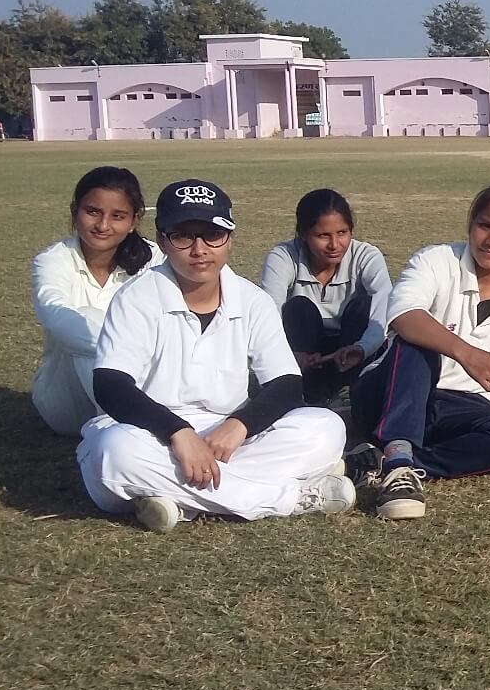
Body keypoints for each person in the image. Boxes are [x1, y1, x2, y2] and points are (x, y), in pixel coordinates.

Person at [76, 179, 353, 532]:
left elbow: (286, 383)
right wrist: (178, 433)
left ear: (230, 238)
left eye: (212, 235)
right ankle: (289, 498)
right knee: (113, 454)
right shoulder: (137, 297)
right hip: (148, 433)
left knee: (325, 428)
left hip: (226, 435)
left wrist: (240, 425)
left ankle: (177, 500)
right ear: (162, 240)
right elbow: (110, 384)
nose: (199, 249)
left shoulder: (252, 300)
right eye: (183, 236)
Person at [351, 181, 490, 520]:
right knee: (418, 342)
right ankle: (400, 462)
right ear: (471, 224)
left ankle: (391, 463)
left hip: (464, 409)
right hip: (392, 394)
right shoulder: (436, 261)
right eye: (485, 226)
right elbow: (404, 316)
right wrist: (467, 353)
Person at [32, 167, 163, 435]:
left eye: (117, 216)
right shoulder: (53, 261)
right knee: (87, 319)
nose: (103, 226)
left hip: (146, 382)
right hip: (68, 401)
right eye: (92, 212)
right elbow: (57, 317)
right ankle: (134, 427)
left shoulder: (154, 259)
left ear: (134, 220)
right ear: (74, 210)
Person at [259, 189, 392, 405]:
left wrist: (361, 348)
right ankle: (306, 391)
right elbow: (267, 309)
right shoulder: (283, 256)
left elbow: (384, 305)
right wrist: (288, 353)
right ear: (303, 234)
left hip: (350, 349)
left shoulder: (366, 255)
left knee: (363, 306)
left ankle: (349, 390)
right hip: (305, 349)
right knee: (298, 307)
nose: (334, 245)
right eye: (323, 236)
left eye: (342, 233)